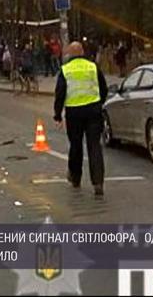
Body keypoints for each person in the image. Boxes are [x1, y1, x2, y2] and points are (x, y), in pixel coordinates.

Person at [53, 42, 109, 196]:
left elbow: (60, 93)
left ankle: (75, 177)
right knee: (94, 146)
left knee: (76, 146)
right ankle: (98, 182)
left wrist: (57, 114)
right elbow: (104, 88)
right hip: (93, 111)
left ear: (69, 54)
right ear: (83, 52)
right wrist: (99, 102)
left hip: (74, 113)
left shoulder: (66, 70)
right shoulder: (93, 67)